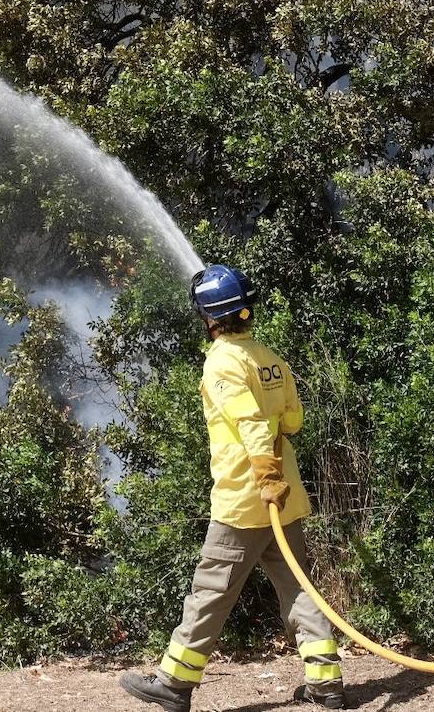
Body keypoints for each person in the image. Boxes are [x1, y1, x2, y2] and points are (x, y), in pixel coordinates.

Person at [119, 264, 346, 711]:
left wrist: (265, 476)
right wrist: (276, 477)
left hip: (246, 499)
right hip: (283, 500)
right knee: (299, 588)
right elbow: (294, 420)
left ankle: (174, 684)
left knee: (211, 591)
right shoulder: (269, 358)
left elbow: (250, 422)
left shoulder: (223, 362)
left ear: (208, 317)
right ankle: (326, 684)